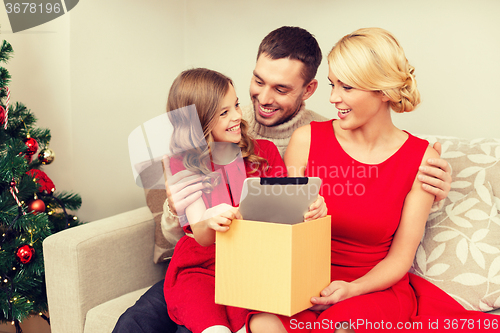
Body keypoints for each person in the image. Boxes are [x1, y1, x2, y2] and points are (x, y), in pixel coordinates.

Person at [113, 26, 452, 333]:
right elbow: (189, 217)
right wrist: (177, 209)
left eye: (280, 88)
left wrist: (312, 213)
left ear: (308, 90)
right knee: (136, 323)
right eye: (258, 82)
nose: (262, 98)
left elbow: (284, 214)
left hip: (283, 271)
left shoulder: (311, 135)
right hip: (214, 264)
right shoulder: (221, 118)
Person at [248, 27, 498, 333]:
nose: (333, 97)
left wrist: (352, 289)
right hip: (303, 284)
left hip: (371, 289)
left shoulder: (422, 159)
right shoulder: (307, 139)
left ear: (383, 91)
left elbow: (401, 257)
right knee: (261, 322)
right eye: (332, 84)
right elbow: (282, 231)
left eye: (347, 87)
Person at [161, 68, 327, 333]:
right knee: (213, 329)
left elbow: (287, 215)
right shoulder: (182, 164)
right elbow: (202, 236)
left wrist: (313, 209)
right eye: (224, 112)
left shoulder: (266, 153)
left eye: (236, 105)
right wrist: (211, 219)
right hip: (200, 267)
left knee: (247, 325)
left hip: (253, 262)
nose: (238, 115)